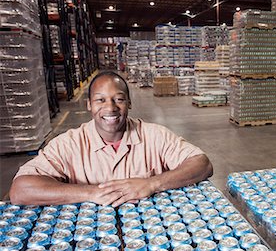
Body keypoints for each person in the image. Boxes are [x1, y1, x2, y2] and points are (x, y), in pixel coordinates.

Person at [9, 71, 213, 207]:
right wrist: (90, 193)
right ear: (89, 104)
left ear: (129, 103)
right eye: (101, 100)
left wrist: (151, 184)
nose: (110, 108)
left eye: (119, 99)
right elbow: (20, 190)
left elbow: (202, 164)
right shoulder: (69, 144)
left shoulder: (154, 135)